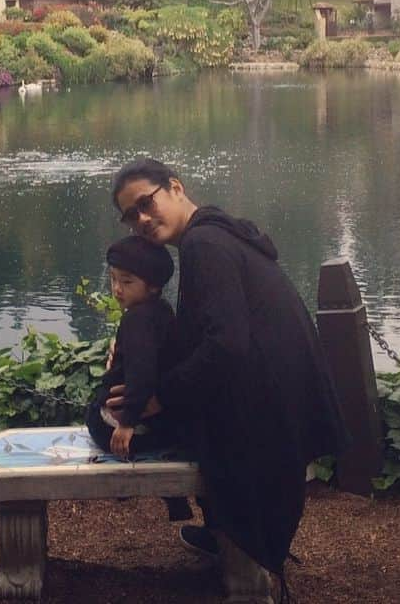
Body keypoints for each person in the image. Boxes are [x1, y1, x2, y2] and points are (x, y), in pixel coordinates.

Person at [107, 157, 349, 595]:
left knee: (150, 423)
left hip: (268, 413)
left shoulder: (205, 246)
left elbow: (226, 345)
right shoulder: (215, 234)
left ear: (175, 187)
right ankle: (227, 534)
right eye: (130, 215)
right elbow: (213, 332)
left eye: (146, 203)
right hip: (285, 398)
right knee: (183, 409)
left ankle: (243, 550)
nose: (141, 219)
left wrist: (159, 396)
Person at [85, 235, 194, 522]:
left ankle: (126, 485)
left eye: (128, 282)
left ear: (153, 285)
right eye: (113, 280)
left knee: (93, 413)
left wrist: (127, 423)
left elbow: (141, 371)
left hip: (130, 427)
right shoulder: (163, 311)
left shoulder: (137, 319)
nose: (117, 289)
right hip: (163, 423)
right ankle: (173, 496)